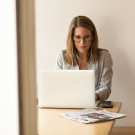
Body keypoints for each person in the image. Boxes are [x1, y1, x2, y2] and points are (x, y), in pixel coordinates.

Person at [54, 16, 113, 101]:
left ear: (92, 37)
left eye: (86, 37)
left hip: (93, 107)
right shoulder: (62, 57)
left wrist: (92, 97)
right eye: (78, 37)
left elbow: (106, 89)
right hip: (67, 105)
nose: (82, 42)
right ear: (72, 38)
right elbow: (56, 87)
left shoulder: (104, 57)